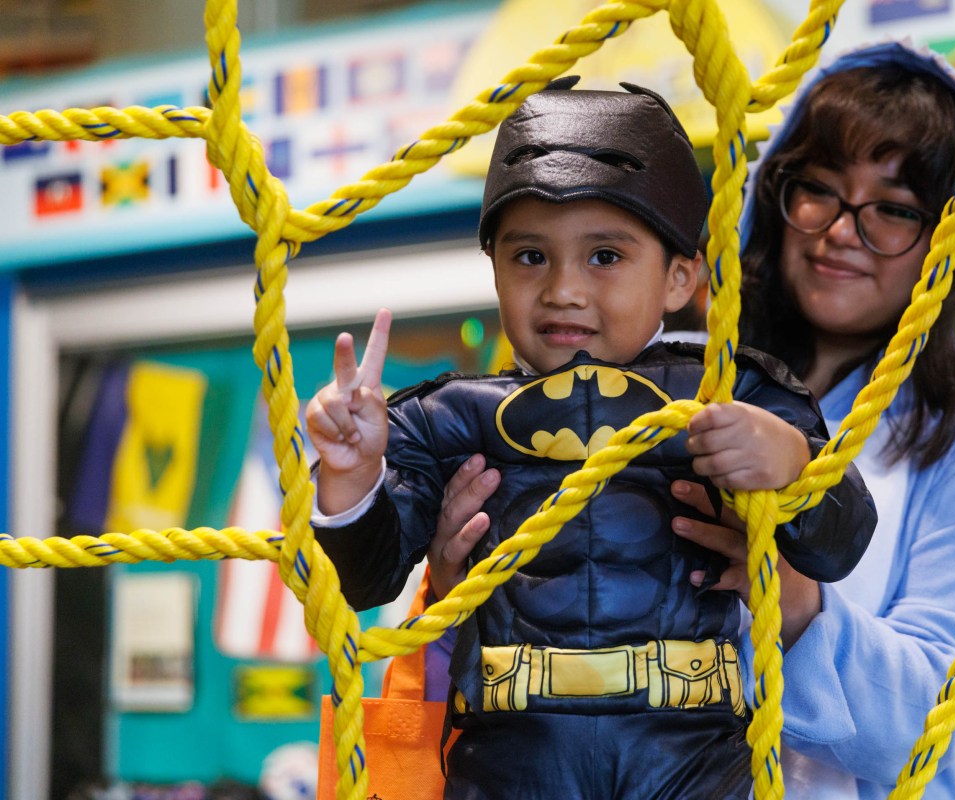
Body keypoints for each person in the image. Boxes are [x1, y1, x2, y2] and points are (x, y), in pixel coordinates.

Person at [435, 41, 955, 798]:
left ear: (954, 238)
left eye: (893, 209)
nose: (841, 231)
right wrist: (457, 582)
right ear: (771, 198)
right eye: (817, 190)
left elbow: (944, 714)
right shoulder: (668, 380)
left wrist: (792, 604)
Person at [306, 78, 877, 799]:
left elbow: (840, 543)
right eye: (529, 257)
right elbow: (365, 579)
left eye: (605, 256)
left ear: (680, 277)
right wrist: (351, 480)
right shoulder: (446, 419)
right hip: (513, 749)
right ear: (493, 269)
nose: (563, 289)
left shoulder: (731, 395)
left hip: (692, 749)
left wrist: (792, 466)